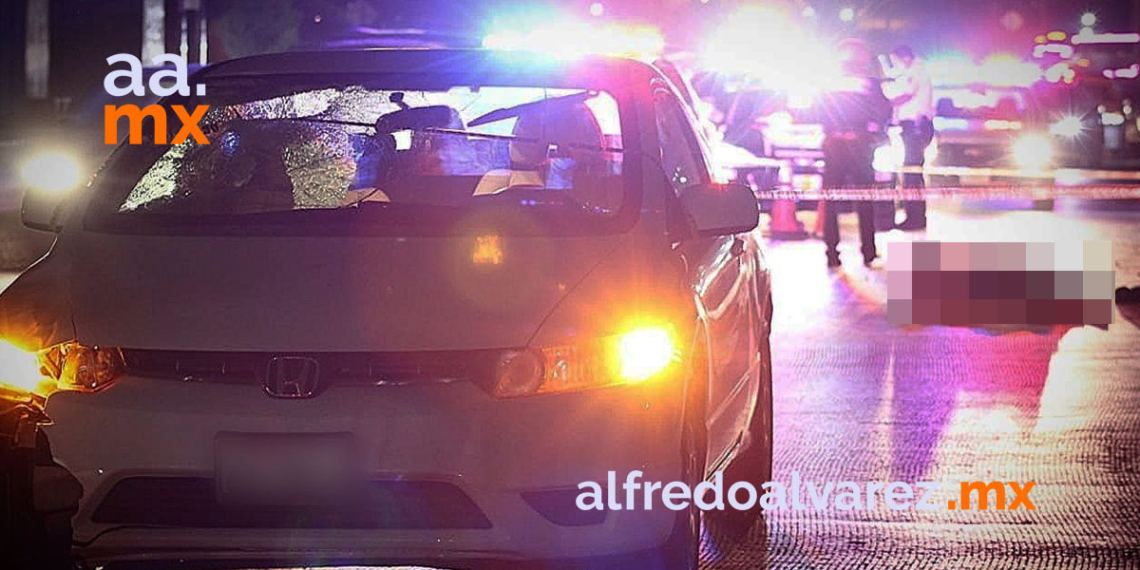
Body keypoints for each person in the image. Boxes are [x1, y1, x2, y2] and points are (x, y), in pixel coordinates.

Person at [817, 39, 892, 267]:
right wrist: (875, 130)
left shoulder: (828, 82)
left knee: (830, 201)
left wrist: (830, 131)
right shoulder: (869, 83)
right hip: (860, 145)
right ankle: (868, 251)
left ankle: (832, 253)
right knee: (865, 199)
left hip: (835, 145)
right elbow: (884, 109)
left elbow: (816, 110)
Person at [885, 45, 934, 230]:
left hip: (916, 126)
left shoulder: (916, 71)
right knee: (911, 173)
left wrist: (884, 102)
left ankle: (915, 218)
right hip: (913, 127)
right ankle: (914, 216)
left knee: (912, 174)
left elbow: (906, 95)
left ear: (904, 58)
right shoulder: (914, 71)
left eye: (896, 60)